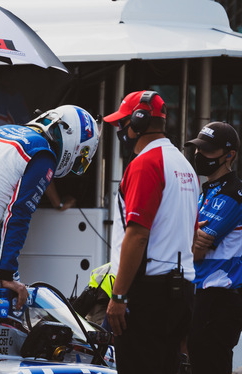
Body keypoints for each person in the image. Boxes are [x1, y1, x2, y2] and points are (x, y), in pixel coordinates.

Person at [0, 105, 100, 308]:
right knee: (8, 312)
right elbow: (18, 213)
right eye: (83, 153)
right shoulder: (42, 152)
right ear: (73, 138)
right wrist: (7, 273)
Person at [103, 90, 200, 374]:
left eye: (123, 123)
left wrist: (119, 296)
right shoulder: (185, 166)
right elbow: (192, 235)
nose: (121, 129)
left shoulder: (146, 164)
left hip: (148, 293)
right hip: (182, 291)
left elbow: (137, 234)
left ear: (139, 121)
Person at [184, 121, 242, 374]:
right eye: (197, 149)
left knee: (211, 364)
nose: (198, 155)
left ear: (230, 156)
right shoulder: (204, 190)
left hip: (221, 298)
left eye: (207, 150)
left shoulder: (235, 193)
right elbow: (190, 243)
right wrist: (188, 235)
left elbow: (195, 252)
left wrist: (184, 236)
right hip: (200, 293)